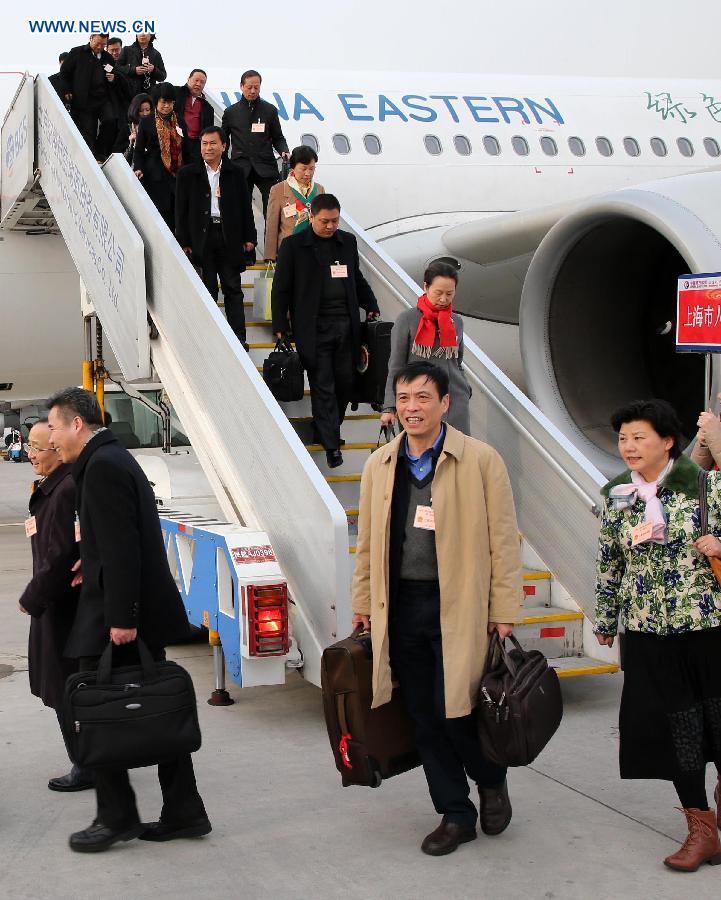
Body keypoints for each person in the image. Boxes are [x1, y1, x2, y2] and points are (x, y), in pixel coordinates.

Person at [351, 361, 522, 856]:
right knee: (423, 716)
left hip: (461, 606)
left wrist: (503, 607)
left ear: (445, 403)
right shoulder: (380, 465)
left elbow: (504, 542)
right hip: (402, 606)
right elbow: (367, 545)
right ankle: (454, 812)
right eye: (404, 398)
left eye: (423, 398)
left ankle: (490, 778)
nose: (412, 408)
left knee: (461, 712)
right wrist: (364, 602)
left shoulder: (481, 460)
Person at [46, 387, 211, 853]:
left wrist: (122, 617)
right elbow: (114, 539)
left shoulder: (101, 468)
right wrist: (88, 559)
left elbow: (123, 547)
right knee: (154, 703)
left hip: (115, 615)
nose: (53, 438)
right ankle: (184, 810)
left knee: (93, 707)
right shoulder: (109, 460)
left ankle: (117, 816)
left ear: (77, 423)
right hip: (120, 606)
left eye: (55, 427)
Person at [595, 398, 721, 872]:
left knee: (719, 723)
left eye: (639, 437)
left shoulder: (703, 485)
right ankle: (701, 830)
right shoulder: (617, 495)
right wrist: (607, 619)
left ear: (668, 441)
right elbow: (610, 560)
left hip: (708, 627)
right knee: (679, 733)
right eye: (623, 438)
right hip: (648, 632)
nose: (629, 446)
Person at [272, 193, 380, 468]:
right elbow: (281, 289)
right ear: (312, 218)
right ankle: (332, 445)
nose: (331, 226)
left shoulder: (347, 242)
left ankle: (326, 428)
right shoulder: (294, 246)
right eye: (325, 222)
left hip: (346, 326)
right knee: (323, 385)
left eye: (334, 221)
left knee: (345, 382)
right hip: (314, 328)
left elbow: (356, 278)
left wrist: (370, 304)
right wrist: (280, 326)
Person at [18, 420, 91, 792]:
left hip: (62, 606)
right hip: (55, 601)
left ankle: (85, 764)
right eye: (28, 446)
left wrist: (34, 596)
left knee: (67, 686)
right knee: (62, 684)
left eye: (37, 448)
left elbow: (62, 554)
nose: (30, 454)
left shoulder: (65, 489)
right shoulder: (53, 485)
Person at [175, 126, 257, 349]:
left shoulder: (236, 172)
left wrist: (250, 236)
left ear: (224, 146)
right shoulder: (187, 174)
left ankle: (238, 338)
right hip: (202, 237)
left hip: (228, 236)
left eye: (212, 143)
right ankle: (208, 338)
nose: (208, 148)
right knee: (208, 289)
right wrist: (183, 242)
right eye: (204, 143)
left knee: (233, 288)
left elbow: (245, 207)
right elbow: (180, 212)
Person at [381, 262, 471, 435]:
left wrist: (465, 388)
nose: (444, 299)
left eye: (449, 294)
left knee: (458, 452)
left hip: (454, 398)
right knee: (421, 452)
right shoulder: (407, 319)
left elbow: (457, 361)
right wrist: (389, 407)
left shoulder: (456, 322)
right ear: (426, 287)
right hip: (418, 400)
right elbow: (396, 365)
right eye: (438, 293)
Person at [221, 69, 289, 219]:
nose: (253, 91)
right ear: (241, 86)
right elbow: (223, 142)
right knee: (241, 210)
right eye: (249, 87)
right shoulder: (231, 112)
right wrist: (223, 165)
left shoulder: (269, 110)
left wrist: (284, 150)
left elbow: (278, 137)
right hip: (241, 167)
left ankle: (270, 242)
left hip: (265, 166)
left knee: (272, 210)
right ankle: (246, 242)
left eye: (256, 87)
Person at [133, 83, 186, 231]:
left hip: (176, 173)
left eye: (170, 102)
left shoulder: (180, 121)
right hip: (155, 173)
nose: (167, 106)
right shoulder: (147, 121)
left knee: (177, 214)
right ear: (156, 101)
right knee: (160, 215)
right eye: (164, 102)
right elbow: (138, 150)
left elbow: (186, 146)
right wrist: (138, 168)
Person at [59, 34, 121, 160]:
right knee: (89, 131)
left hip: (103, 99)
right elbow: (64, 72)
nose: (100, 47)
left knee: (110, 121)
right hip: (84, 101)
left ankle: (100, 151)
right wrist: (67, 90)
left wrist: (113, 78)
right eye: (98, 43)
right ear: (91, 38)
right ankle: (91, 157)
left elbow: (114, 73)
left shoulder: (107, 57)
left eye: (103, 45)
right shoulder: (77, 52)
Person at [264, 145, 324, 261]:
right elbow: (272, 225)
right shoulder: (278, 190)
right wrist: (270, 256)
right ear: (293, 168)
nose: (308, 173)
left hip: (314, 251)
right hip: (289, 251)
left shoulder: (319, 190)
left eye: (312, 169)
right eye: (303, 168)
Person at [175, 69, 214, 165]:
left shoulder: (208, 107)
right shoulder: (175, 93)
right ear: (188, 79)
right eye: (196, 80)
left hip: (195, 146)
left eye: (202, 82)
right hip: (175, 141)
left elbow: (209, 131)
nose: (198, 84)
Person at [117, 33, 166, 98]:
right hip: (128, 94)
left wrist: (153, 70)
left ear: (151, 35)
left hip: (149, 95)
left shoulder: (156, 54)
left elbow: (163, 76)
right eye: (139, 31)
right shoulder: (126, 50)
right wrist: (133, 70)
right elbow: (117, 68)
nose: (142, 34)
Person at [124, 92, 153, 163]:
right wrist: (131, 145)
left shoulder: (156, 128)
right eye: (141, 111)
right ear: (135, 111)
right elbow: (121, 159)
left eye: (147, 110)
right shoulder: (126, 129)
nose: (145, 113)